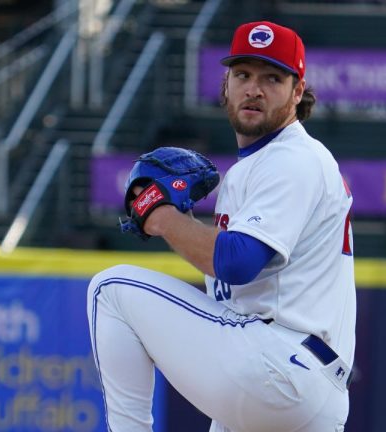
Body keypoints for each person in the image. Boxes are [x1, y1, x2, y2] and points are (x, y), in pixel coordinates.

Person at [87, 20, 356, 432]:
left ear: (297, 92)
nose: (254, 89)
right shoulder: (259, 166)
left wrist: (162, 217)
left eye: (272, 78)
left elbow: (237, 262)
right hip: (299, 388)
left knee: (110, 290)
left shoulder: (294, 158)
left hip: (280, 366)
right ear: (226, 85)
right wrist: (186, 223)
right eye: (243, 75)